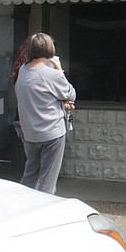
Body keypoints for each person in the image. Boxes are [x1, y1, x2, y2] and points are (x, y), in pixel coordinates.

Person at [14, 32, 76, 194]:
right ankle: (43, 212)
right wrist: (60, 70)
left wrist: (60, 100)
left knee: (30, 176)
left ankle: (22, 205)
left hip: (29, 133)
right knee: (48, 180)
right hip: (52, 132)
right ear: (50, 49)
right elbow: (70, 93)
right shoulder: (51, 74)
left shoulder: (23, 71)